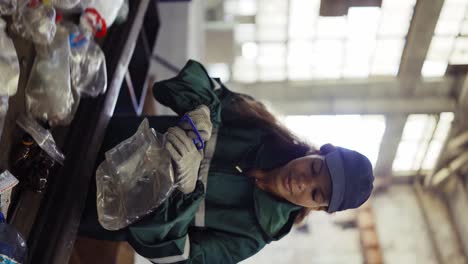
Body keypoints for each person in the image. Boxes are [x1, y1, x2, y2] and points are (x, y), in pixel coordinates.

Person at [78, 60, 374, 264]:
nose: (302, 181)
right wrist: (202, 114)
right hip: (104, 139)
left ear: (317, 207)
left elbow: (180, 259)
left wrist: (185, 192)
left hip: (98, 207)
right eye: (315, 168)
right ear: (319, 152)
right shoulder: (261, 128)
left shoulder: (251, 235)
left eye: (315, 193)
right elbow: (204, 85)